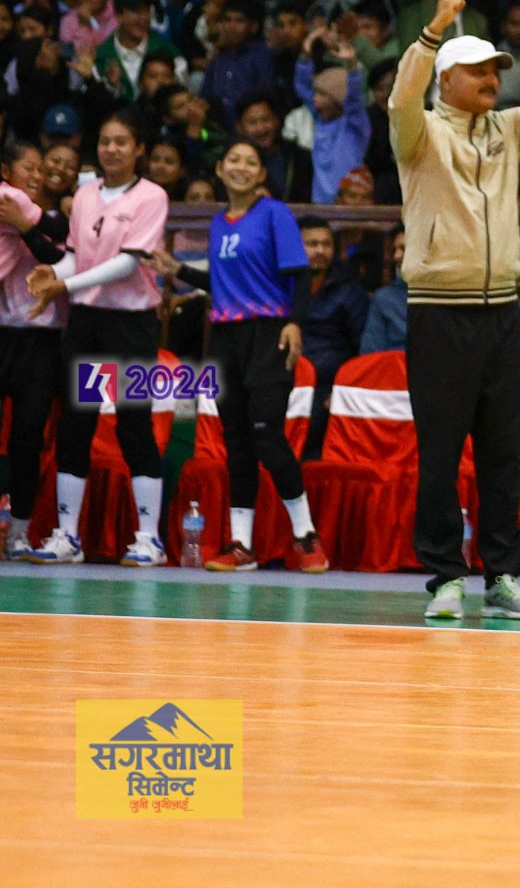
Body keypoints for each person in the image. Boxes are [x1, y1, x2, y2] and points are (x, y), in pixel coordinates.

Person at [393, 0, 520, 620]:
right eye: (478, 70)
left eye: (495, 70)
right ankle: (445, 580)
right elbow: (400, 96)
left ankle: (503, 576)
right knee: (440, 454)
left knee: (503, 453)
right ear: (445, 77)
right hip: (438, 312)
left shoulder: (508, 128)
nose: (491, 79)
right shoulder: (419, 133)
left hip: (503, 313)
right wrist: (432, 31)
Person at [150, 140, 325, 573]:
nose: (242, 167)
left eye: (251, 162)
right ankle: (241, 545)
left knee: (268, 436)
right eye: (234, 160)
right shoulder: (217, 224)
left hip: (268, 334)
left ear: (261, 173)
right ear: (220, 169)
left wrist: (295, 323)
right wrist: (177, 272)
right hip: (225, 339)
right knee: (236, 441)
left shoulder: (274, 214)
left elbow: (300, 274)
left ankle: (306, 537)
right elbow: (224, 283)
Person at [24, 109, 173, 567]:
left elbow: (128, 263)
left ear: (139, 149)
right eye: (105, 141)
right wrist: (54, 274)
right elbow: (75, 256)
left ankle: (149, 538)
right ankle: (67, 536)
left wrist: (65, 284)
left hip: (129, 325)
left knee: (133, 422)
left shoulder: (151, 196)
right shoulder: (86, 196)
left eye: (121, 142)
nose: (111, 149)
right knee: (77, 422)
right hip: (86, 322)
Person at [0, 142, 67, 559]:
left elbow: (59, 257)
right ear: (7, 171)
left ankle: (20, 531)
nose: (38, 175)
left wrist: (25, 226)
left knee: (28, 436)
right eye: (31, 167)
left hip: (41, 341)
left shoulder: (30, 214)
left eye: (42, 169)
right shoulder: (9, 201)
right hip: (3, 334)